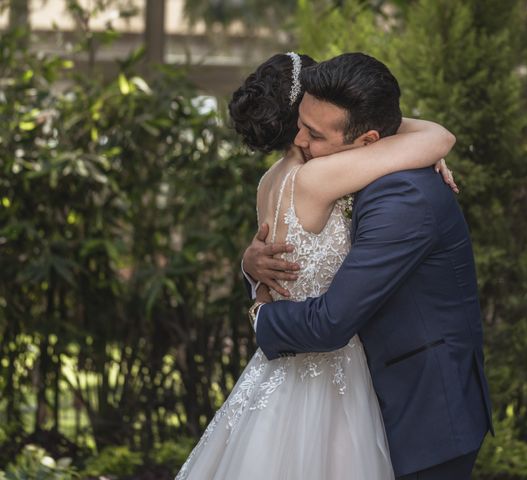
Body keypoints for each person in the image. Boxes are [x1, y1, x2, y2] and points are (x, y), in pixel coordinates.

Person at [175, 52, 457, 480]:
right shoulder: (322, 177)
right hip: (330, 365)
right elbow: (437, 137)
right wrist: (411, 145)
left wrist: (249, 272)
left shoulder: (269, 181)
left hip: (275, 366)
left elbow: (273, 269)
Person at [243, 52, 493, 480]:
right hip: (355, 395)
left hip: (423, 412)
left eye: (314, 134)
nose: (299, 141)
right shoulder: (357, 168)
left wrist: (258, 314)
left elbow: (332, 321)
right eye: (299, 123)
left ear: (368, 142)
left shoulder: (402, 195)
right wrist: (251, 266)